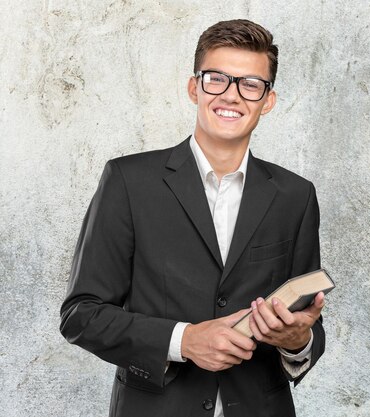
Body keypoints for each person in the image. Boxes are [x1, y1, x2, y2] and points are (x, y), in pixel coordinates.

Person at [60, 19, 326, 417]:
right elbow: (81, 314)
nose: (232, 96)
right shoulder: (129, 181)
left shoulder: (295, 195)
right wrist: (183, 341)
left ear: (267, 100)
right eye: (217, 79)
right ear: (194, 88)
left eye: (250, 84)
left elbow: (306, 324)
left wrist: (297, 340)